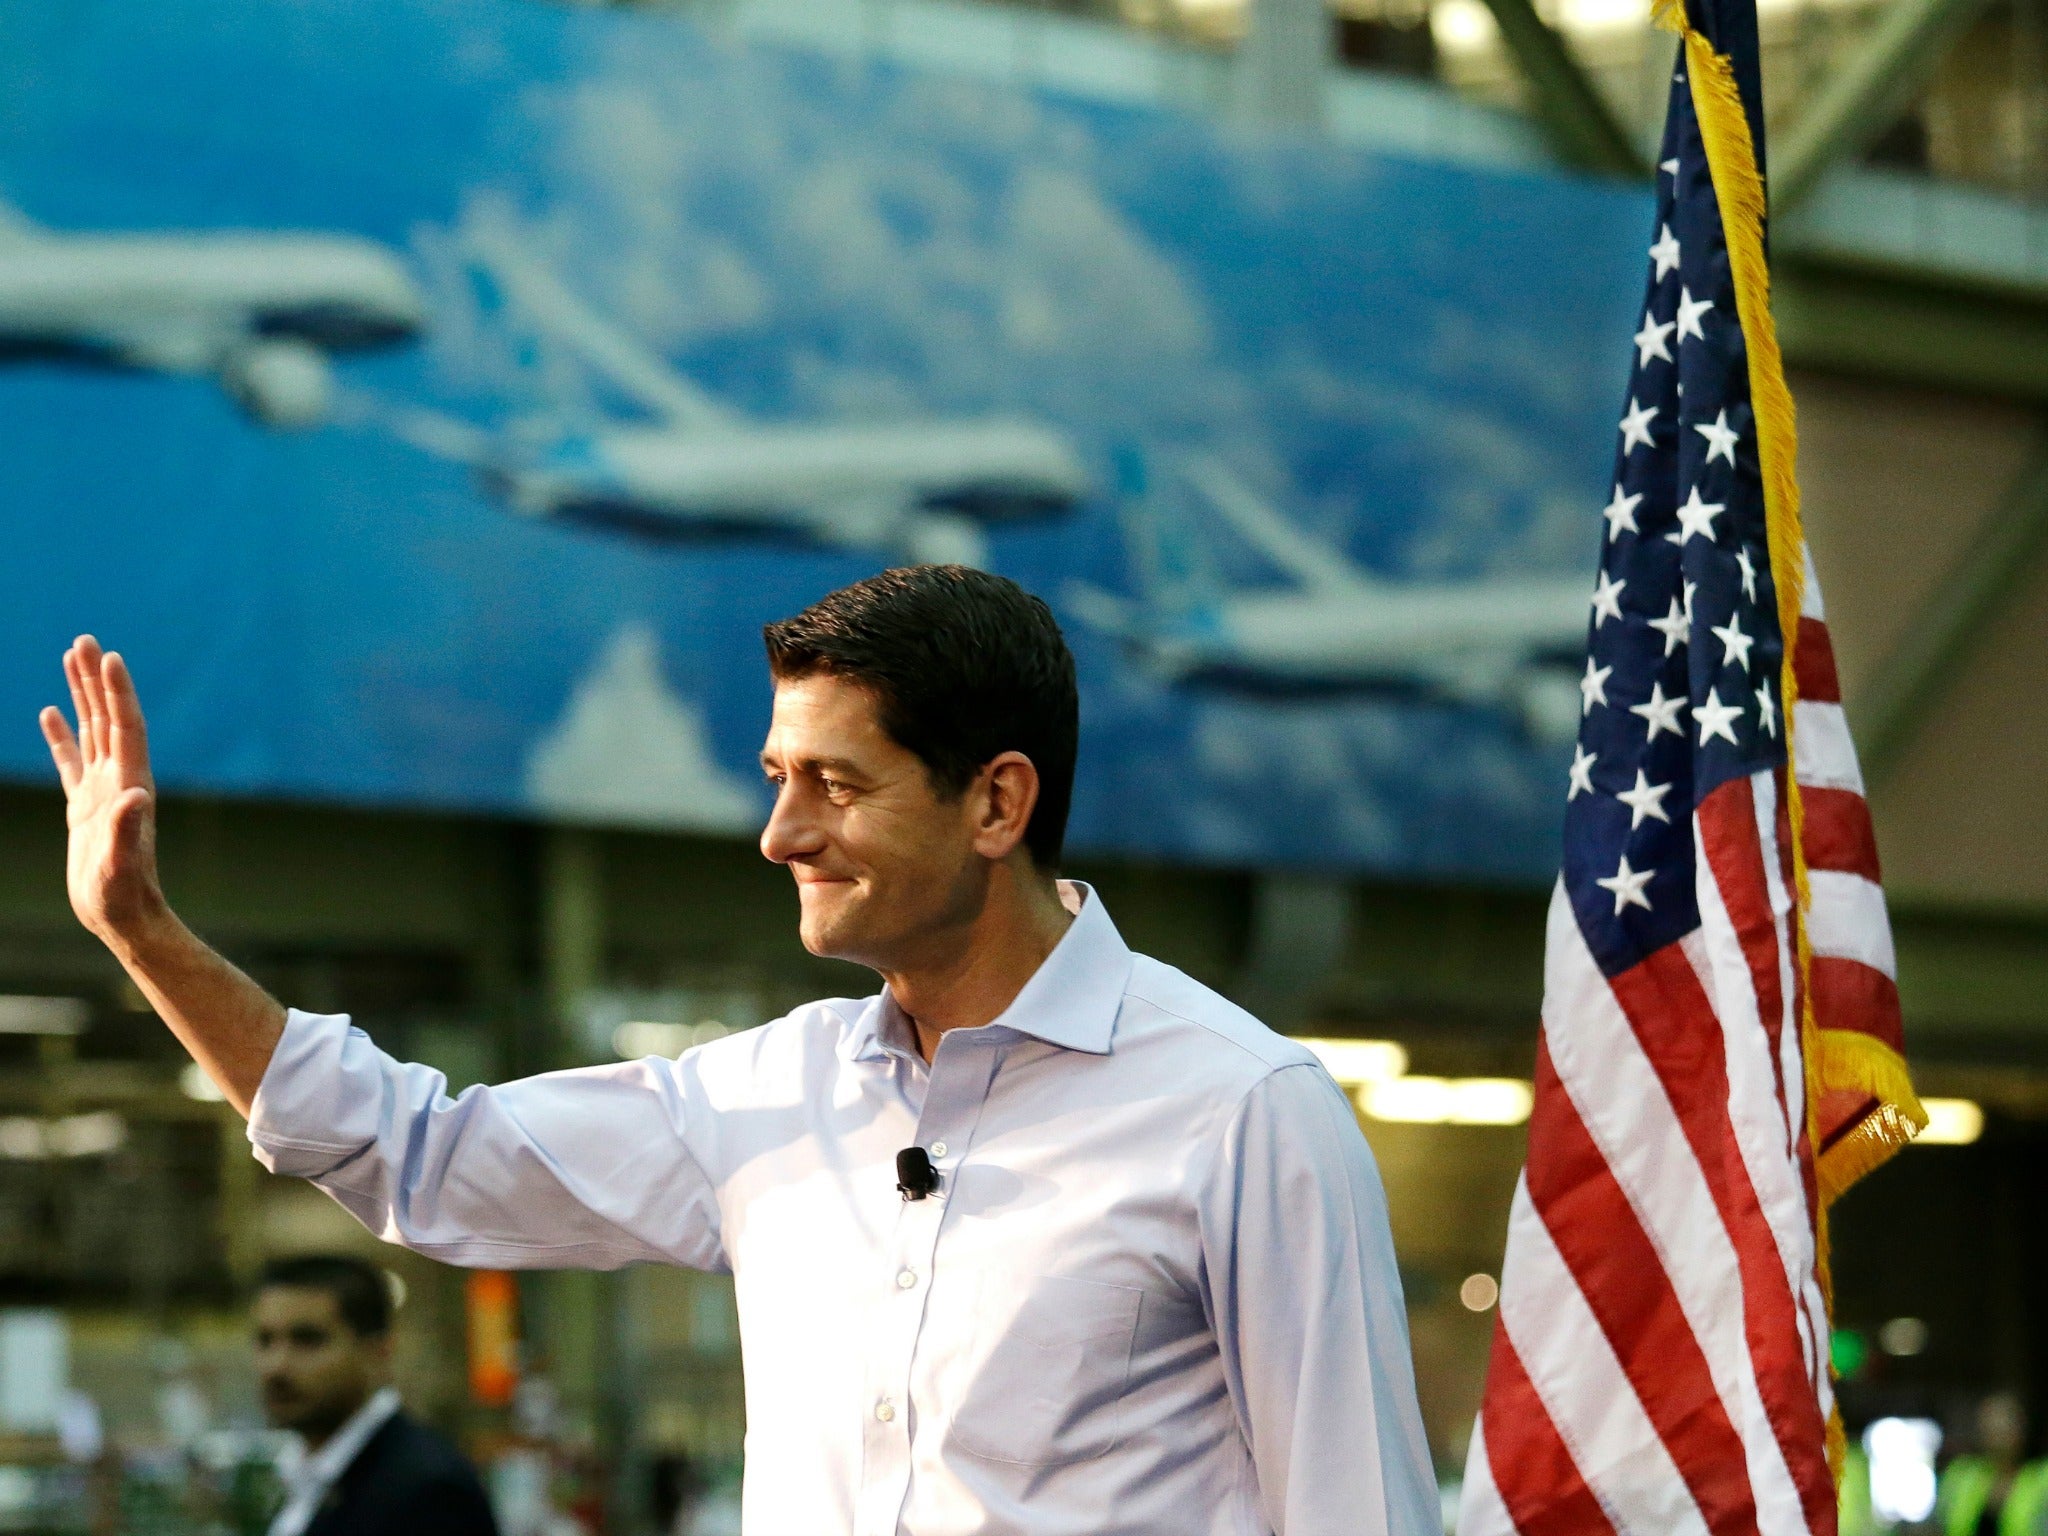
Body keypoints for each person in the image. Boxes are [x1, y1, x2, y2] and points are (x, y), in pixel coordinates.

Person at [42, 566, 1438, 1535]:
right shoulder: (766, 1097)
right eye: (779, 779)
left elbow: (1359, 1515)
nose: (780, 837)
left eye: (837, 784)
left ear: (997, 803)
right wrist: (144, 934)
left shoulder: (1243, 1107)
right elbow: (421, 1158)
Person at [253, 1254, 498, 1536]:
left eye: (308, 1340)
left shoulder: (425, 1491)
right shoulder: (308, 1474)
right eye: (265, 1341)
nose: (277, 1365)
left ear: (377, 1351)